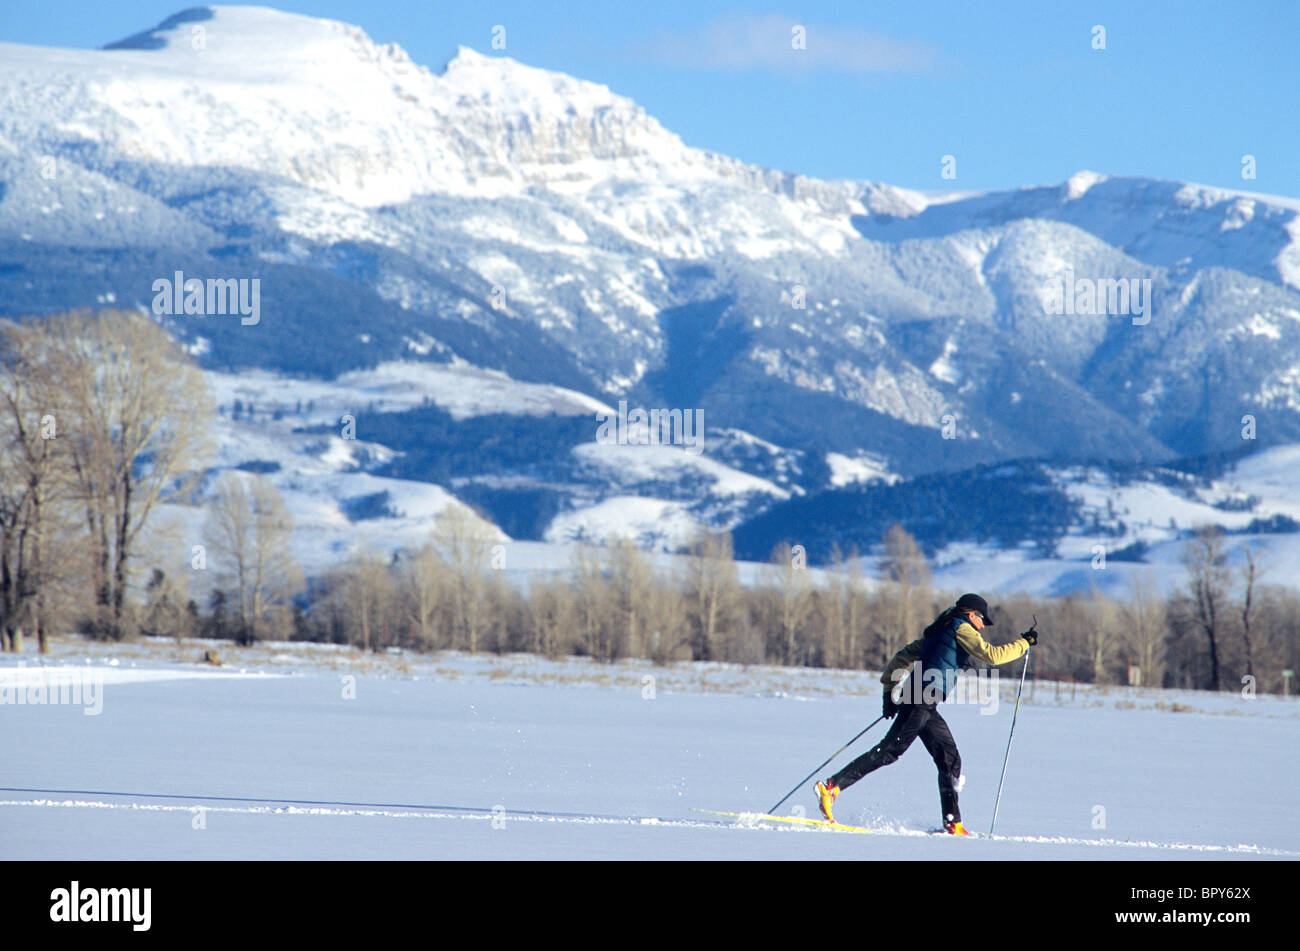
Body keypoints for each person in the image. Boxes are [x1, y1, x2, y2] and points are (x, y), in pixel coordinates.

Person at [815, 593, 1039, 835]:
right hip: (922, 697)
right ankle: (831, 786)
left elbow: (901, 658)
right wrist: (1024, 643)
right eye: (983, 619)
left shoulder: (939, 632)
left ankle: (953, 822)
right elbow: (992, 655)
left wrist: (889, 694)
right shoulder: (960, 627)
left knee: (950, 758)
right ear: (971, 614)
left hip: (923, 700)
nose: (983, 625)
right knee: (891, 750)